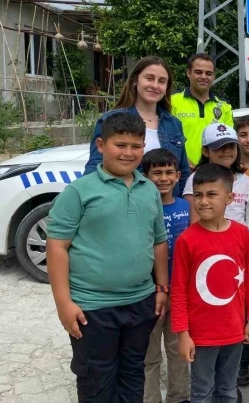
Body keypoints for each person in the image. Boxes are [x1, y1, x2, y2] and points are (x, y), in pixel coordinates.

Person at [46, 112, 169, 402]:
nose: (128, 153)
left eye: (136, 146)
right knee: (96, 380)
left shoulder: (149, 189)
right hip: (93, 309)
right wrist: (64, 303)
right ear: (101, 145)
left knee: (132, 374)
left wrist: (161, 288)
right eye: (120, 145)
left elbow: (159, 242)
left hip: (140, 303)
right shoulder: (79, 192)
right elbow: (56, 247)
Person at [171, 164, 249, 403]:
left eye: (212, 194)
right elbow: (179, 291)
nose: (203, 202)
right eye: (199, 195)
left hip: (234, 331)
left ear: (229, 198)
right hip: (201, 335)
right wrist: (183, 334)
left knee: (228, 390)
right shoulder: (187, 240)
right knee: (201, 392)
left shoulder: (242, 234)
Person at [84, 56, 190, 196]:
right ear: (135, 80)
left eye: (162, 81)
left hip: (167, 210)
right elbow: (95, 166)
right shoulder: (112, 119)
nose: (155, 85)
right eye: (149, 78)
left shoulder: (174, 124)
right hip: (126, 204)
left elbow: (183, 174)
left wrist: (183, 208)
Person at [141, 148, 191, 403]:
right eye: (156, 173)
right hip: (149, 293)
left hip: (181, 293)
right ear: (145, 176)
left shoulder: (186, 207)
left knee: (178, 349)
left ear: (178, 175)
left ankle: (179, 396)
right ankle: (150, 398)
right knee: (149, 354)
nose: (163, 178)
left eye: (169, 172)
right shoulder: (141, 209)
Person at [171, 53, 234, 168]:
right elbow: (168, 139)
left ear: (214, 76)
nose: (204, 77)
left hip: (214, 172)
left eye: (208, 73)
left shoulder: (224, 107)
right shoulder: (173, 102)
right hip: (180, 170)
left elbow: (228, 144)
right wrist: (188, 164)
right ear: (188, 73)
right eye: (198, 72)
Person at [183, 123, 249, 225]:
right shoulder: (195, 178)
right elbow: (195, 222)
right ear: (206, 151)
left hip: (240, 239)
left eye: (231, 146)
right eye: (220, 147)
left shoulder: (246, 181)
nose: (227, 150)